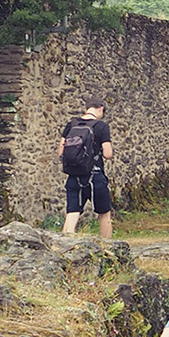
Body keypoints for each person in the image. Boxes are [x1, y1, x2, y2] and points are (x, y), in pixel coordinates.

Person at [61, 98, 114, 239]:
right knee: (104, 214)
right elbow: (108, 154)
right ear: (101, 109)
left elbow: (61, 151)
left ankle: (64, 245)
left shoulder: (71, 125)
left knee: (72, 212)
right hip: (95, 176)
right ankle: (106, 246)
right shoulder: (101, 126)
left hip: (74, 175)